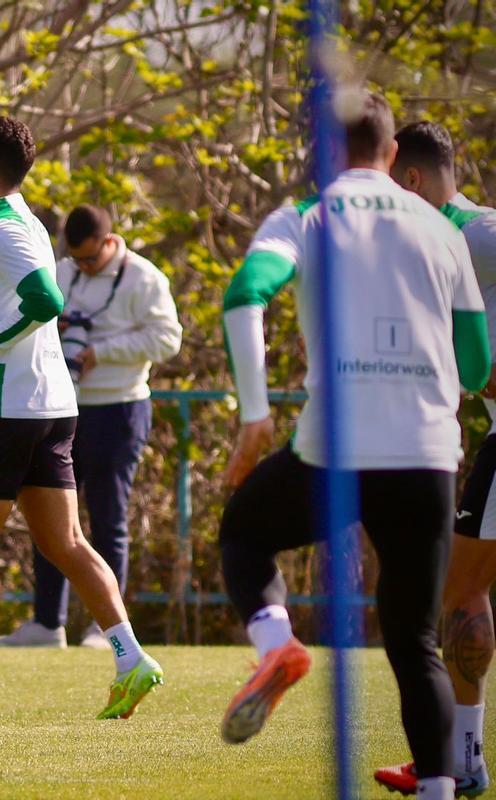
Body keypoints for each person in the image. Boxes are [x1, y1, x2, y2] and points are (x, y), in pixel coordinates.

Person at [218, 93, 487, 800]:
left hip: (335, 450)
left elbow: (245, 295)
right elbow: (478, 365)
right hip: (427, 453)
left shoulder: (306, 216)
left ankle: (277, 646)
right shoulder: (443, 232)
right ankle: (438, 789)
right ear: (392, 154)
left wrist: (254, 417)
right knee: (415, 641)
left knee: (243, 533)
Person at [0, 116, 163, 719]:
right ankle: (131, 659)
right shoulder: (25, 222)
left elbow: (47, 300)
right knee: (65, 541)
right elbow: (27, 295)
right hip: (53, 405)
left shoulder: (1, 230)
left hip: (6, 407)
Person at [374, 121, 496, 797]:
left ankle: (457, 762)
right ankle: (459, 760)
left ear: (413, 180)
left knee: (458, 589)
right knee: (460, 588)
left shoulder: (473, 234)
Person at [0, 204, 181, 648]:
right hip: (64, 408)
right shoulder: (63, 271)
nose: (83, 266)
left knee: (107, 516)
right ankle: (47, 623)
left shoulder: (144, 277)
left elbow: (168, 338)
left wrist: (103, 351)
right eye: (76, 260)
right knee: (50, 517)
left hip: (120, 409)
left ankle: (105, 627)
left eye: (91, 259)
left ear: (110, 241)